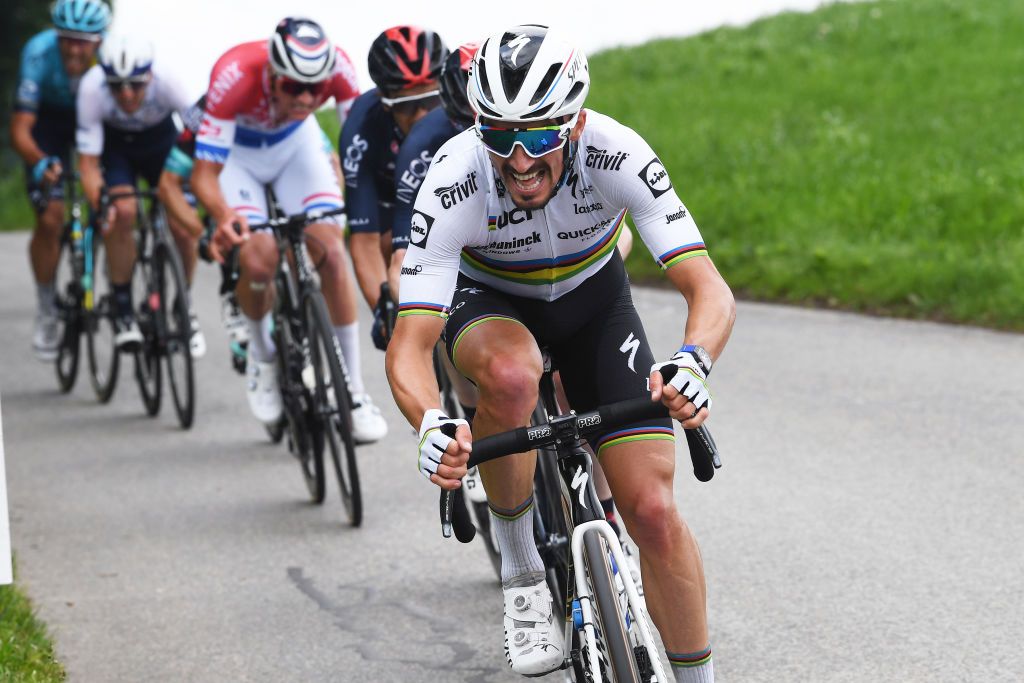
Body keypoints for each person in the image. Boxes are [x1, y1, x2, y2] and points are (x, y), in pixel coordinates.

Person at [385, 25, 735, 680]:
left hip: (594, 305)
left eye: (539, 136)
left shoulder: (617, 152)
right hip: (491, 303)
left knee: (655, 513)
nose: (518, 161)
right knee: (513, 378)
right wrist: (430, 420)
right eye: (499, 136)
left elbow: (706, 284)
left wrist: (694, 361)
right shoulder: (454, 177)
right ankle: (521, 575)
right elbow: (410, 344)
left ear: (574, 124)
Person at [196, 17, 386, 443]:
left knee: (333, 253)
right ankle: (264, 358)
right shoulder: (235, 75)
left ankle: (352, 389)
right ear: (271, 75)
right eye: (293, 87)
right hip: (238, 157)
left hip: (295, 147)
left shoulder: (339, 69)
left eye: (313, 89)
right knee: (259, 259)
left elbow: (361, 149)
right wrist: (223, 215)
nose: (305, 97)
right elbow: (204, 175)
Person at [76, 34, 192, 350]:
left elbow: (201, 132)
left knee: (183, 224)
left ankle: (184, 304)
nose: (126, 94)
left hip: (161, 145)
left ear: (150, 76)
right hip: (117, 150)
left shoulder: (169, 81)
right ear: (106, 80)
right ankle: (123, 308)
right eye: (117, 86)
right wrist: (102, 202)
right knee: (122, 212)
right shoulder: (91, 88)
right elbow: (87, 164)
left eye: (136, 85)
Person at [10, 0, 111, 360]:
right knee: (50, 217)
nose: (73, 48)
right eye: (66, 39)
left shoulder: (113, 57)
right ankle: (46, 306)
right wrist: (40, 162)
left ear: (99, 41)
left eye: (83, 41)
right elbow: (21, 129)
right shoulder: (38, 53)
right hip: (50, 125)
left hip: (95, 121)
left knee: (114, 203)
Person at [338, 25, 448, 328]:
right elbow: (364, 241)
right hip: (390, 201)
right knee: (389, 243)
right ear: (386, 102)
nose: (423, 116)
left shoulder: (466, 104)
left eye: (432, 101)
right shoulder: (362, 127)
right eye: (408, 106)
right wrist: (383, 310)